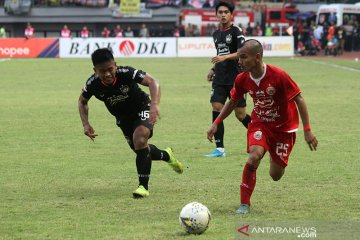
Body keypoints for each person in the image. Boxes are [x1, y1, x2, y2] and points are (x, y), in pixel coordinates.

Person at [207, 39, 318, 214]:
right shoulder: (242, 78)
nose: (240, 61)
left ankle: (274, 154)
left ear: (257, 57)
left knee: (275, 175)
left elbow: (299, 99)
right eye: (239, 57)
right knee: (254, 156)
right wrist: (216, 123)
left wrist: (307, 130)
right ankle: (244, 203)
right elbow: (233, 101)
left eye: (243, 57)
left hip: (283, 129)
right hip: (260, 124)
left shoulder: (279, 75)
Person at [78, 48, 184, 198]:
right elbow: (82, 102)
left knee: (140, 139)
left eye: (110, 69)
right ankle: (166, 155)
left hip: (142, 107)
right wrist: (86, 124)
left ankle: (143, 187)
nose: (107, 74)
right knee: (141, 150)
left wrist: (154, 104)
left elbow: (153, 82)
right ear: (95, 70)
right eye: (102, 71)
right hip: (123, 119)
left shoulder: (126, 72)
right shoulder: (92, 84)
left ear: (115, 65)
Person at [206, 0, 251, 157]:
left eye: (226, 12)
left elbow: (242, 52)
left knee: (240, 115)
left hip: (236, 79)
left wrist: (224, 58)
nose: (223, 15)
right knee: (216, 108)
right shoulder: (216, 34)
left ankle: (262, 136)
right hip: (219, 78)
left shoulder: (236, 31)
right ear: (216, 15)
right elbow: (220, 54)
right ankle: (220, 149)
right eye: (220, 12)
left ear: (231, 15)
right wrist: (213, 69)